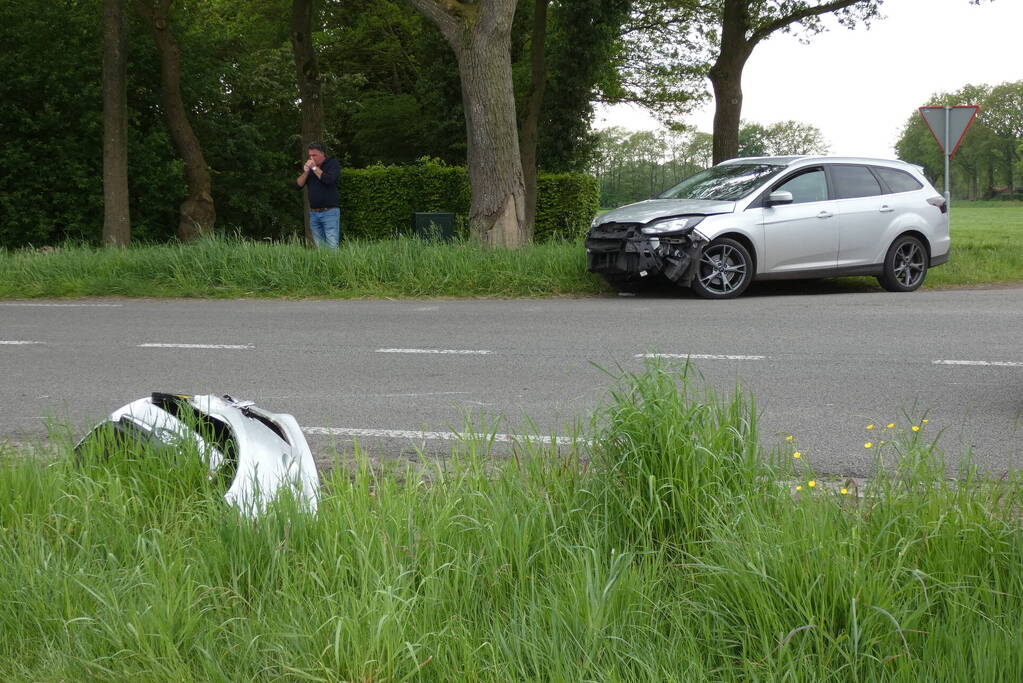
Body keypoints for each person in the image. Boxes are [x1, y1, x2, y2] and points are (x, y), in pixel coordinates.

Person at [294, 142, 341, 248]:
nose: (311, 158)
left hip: (330, 212)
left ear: (322, 154)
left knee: (332, 246)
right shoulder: (310, 169)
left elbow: (329, 180)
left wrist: (315, 168)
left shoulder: (332, 164)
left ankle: (334, 264)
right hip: (314, 214)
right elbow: (297, 185)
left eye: (314, 155)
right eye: (310, 155)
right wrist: (306, 172)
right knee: (320, 247)